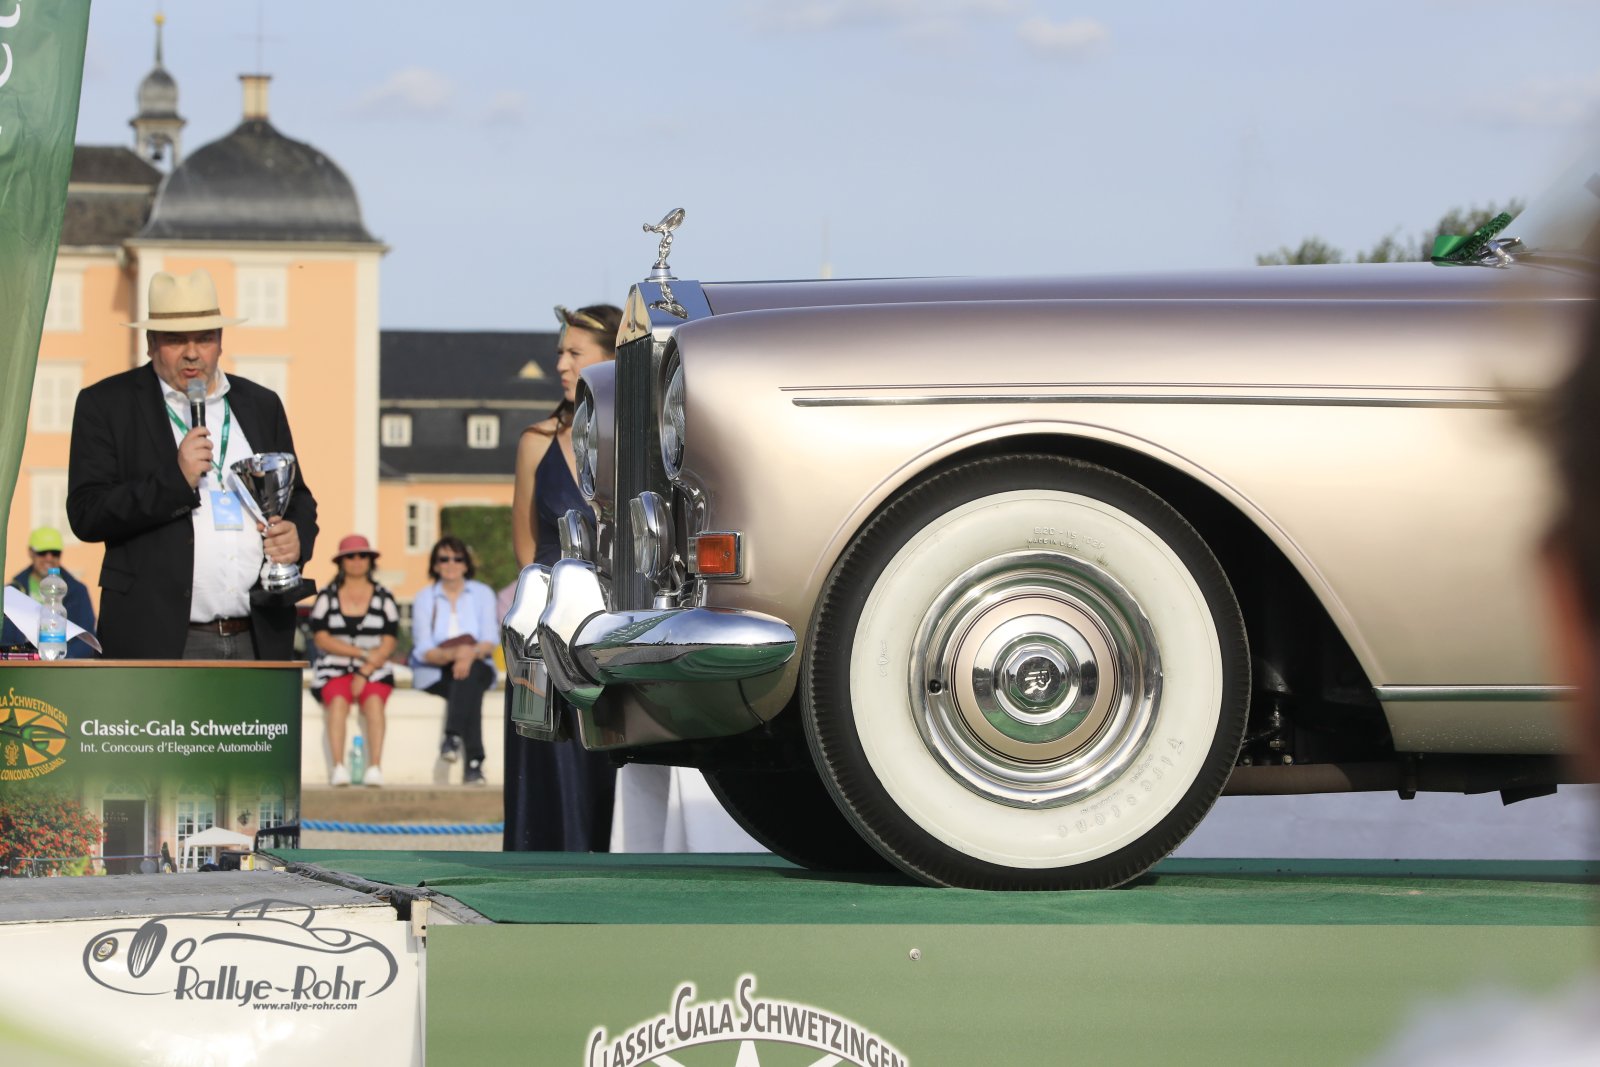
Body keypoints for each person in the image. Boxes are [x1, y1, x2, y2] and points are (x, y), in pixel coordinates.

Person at [65, 269, 316, 659]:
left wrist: (296, 538)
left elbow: (298, 499)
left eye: (204, 338)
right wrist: (174, 480)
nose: (192, 352)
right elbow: (86, 514)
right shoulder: (107, 404)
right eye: (176, 339)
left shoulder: (260, 404)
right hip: (159, 639)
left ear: (220, 341)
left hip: (258, 635)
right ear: (151, 343)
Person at [505, 303, 623, 850]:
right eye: (560, 352)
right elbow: (526, 550)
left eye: (575, 352)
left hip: (616, 630)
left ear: (612, 360)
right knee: (548, 776)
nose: (560, 364)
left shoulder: (644, 441)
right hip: (550, 635)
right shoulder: (536, 441)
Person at [308, 534, 399, 787]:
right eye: (350, 556)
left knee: (374, 703)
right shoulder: (327, 595)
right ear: (341, 562)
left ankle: (375, 767)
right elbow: (321, 638)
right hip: (333, 668)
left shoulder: (384, 596)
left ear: (370, 560)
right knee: (337, 702)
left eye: (362, 556)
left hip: (375, 669)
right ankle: (338, 767)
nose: (357, 561)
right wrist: (361, 654)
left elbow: (389, 641)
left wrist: (365, 670)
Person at [410, 535, 499, 786]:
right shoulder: (424, 597)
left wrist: (468, 654)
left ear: (466, 564)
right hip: (437, 669)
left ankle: (452, 738)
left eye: (457, 559)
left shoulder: (482, 593)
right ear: (435, 564)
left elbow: (490, 638)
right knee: (469, 687)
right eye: (444, 559)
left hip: (477, 663)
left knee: (470, 675)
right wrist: (456, 654)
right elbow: (423, 648)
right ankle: (474, 764)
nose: (451, 564)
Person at [2, 526, 97, 658]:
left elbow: (86, 640)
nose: (49, 558)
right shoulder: (13, 591)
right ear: (31, 553)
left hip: (63, 665)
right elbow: (4, 638)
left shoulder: (77, 591)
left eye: (55, 553)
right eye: (42, 552)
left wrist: (62, 658)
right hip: (23, 665)